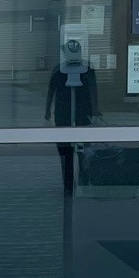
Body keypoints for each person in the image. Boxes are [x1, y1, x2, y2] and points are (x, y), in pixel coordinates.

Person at [45, 34, 101, 193]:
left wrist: (95, 110)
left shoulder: (86, 69)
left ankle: (80, 178)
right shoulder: (59, 70)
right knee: (67, 151)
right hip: (67, 115)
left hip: (80, 114)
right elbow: (51, 91)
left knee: (82, 151)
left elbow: (93, 90)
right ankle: (70, 182)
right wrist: (47, 110)